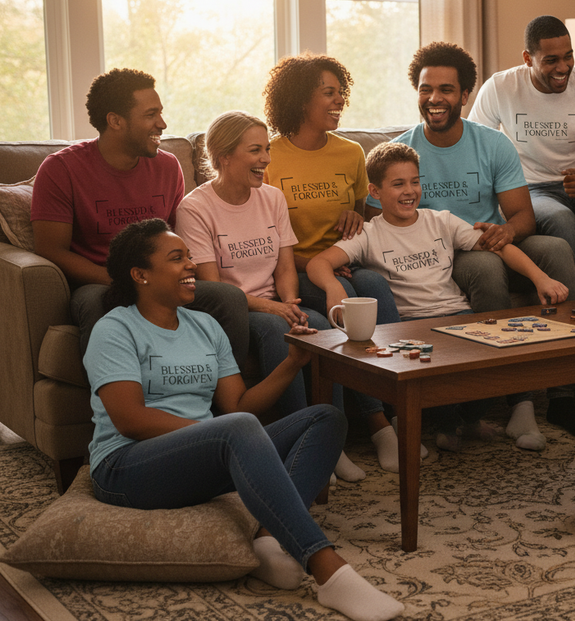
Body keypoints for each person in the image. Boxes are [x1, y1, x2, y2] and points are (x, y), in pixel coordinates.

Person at [83, 218, 404, 621]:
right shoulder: (115, 329)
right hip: (126, 467)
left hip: (201, 455)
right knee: (235, 430)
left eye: (189, 257)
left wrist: (292, 362)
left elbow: (238, 406)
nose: (192, 266)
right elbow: (130, 419)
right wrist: (214, 435)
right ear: (140, 275)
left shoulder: (204, 325)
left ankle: (269, 542)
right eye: (177, 258)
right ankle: (329, 572)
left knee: (326, 419)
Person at [368, 41, 575, 448]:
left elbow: (522, 214)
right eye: (425, 88)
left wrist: (508, 232)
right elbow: (375, 218)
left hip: (491, 239)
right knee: (485, 269)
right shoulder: (400, 151)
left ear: (465, 95)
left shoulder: (492, 143)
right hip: (443, 254)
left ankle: (561, 395)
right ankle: (517, 400)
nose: (434, 99)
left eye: (446, 89)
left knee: (556, 250)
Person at [309, 142, 569, 451]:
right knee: (438, 377)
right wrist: (334, 287)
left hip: (458, 317)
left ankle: (469, 421)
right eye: (398, 184)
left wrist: (540, 278)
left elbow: (497, 246)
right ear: (374, 192)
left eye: (415, 181)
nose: (410, 191)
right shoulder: (369, 234)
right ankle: (448, 425)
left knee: (496, 362)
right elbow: (318, 262)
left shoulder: (441, 220)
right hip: (415, 328)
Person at [175, 110, 367, 482]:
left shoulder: (272, 198)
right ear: (224, 156)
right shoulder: (195, 208)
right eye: (255, 151)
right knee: (281, 331)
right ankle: (302, 440)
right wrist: (276, 310)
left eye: (266, 149)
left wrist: (291, 303)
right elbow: (213, 285)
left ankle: (336, 442)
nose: (266, 159)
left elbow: (284, 265)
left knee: (327, 323)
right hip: (234, 307)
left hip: (276, 296)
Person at [262, 53, 417, 478]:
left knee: (373, 287)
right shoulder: (270, 157)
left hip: (339, 264)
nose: (338, 102)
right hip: (293, 268)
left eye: (340, 93)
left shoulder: (350, 153)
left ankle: (388, 418)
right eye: (328, 94)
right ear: (299, 100)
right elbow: (264, 238)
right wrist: (320, 265)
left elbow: (364, 221)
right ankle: (371, 422)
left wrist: (356, 219)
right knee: (351, 297)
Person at [29, 68, 247, 366]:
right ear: (115, 121)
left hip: (161, 279)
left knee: (228, 298)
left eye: (161, 113)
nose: (162, 123)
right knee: (95, 304)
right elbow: (51, 249)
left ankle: (222, 398)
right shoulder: (61, 169)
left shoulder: (168, 167)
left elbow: (175, 238)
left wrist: (171, 276)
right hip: (99, 281)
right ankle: (114, 407)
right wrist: (121, 280)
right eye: (151, 114)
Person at [469, 15, 575, 279]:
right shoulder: (500, 87)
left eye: (569, 57)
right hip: (531, 189)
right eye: (551, 60)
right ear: (528, 58)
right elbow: (474, 147)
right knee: (561, 219)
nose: (563, 67)